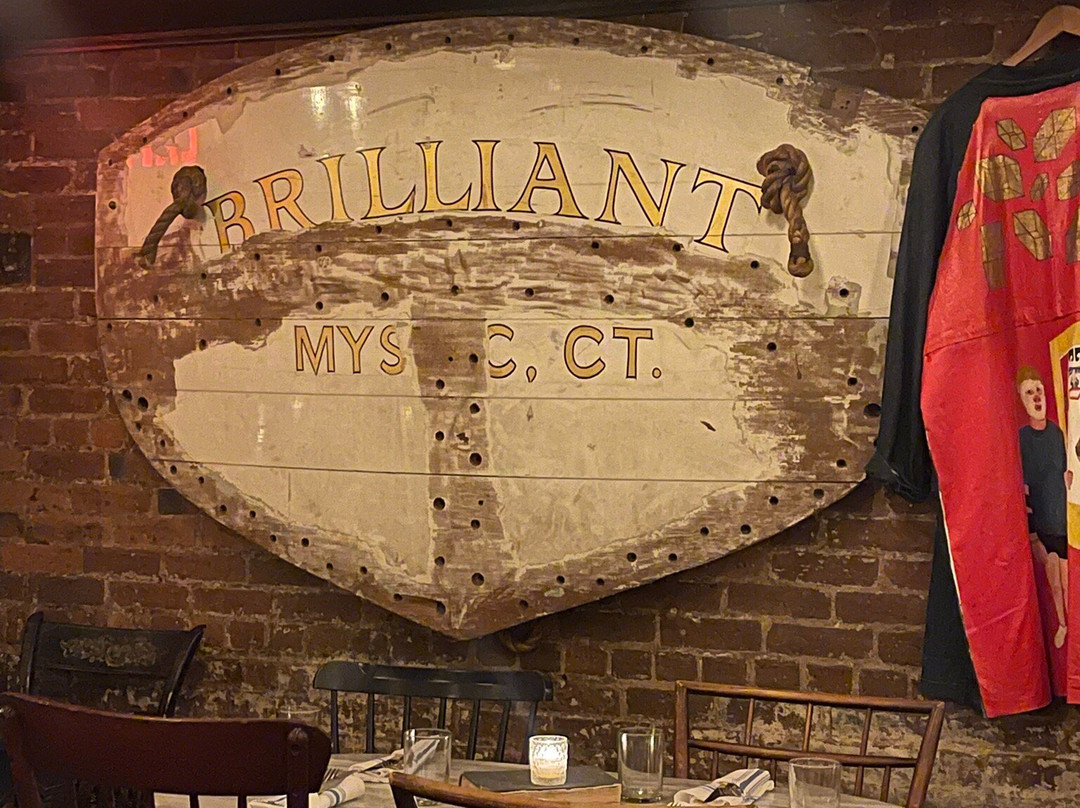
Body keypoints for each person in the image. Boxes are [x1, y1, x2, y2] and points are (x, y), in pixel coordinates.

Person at [1016, 365, 1070, 648]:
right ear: (1021, 400)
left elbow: (1065, 472)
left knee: (1068, 580)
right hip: (1043, 524)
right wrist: (1033, 535)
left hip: (1064, 521)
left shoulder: (1057, 434)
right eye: (1029, 393)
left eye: (1039, 390)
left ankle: (1072, 628)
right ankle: (1062, 623)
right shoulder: (1023, 439)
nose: (1037, 397)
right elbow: (1023, 489)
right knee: (1055, 583)